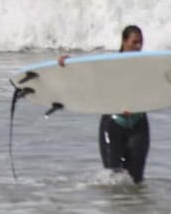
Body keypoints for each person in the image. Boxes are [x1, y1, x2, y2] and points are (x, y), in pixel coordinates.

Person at [58, 25, 149, 183]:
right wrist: (68, 64)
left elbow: (158, 87)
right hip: (113, 124)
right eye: (134, 42)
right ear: (124, 41)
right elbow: (88, 74)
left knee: (137, 181)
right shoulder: (109, 64)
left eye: (141, 42)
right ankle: (116, 207)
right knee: (113, 179)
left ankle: (135, 207)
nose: (138, 46)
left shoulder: (147, 65)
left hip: (139, 124)